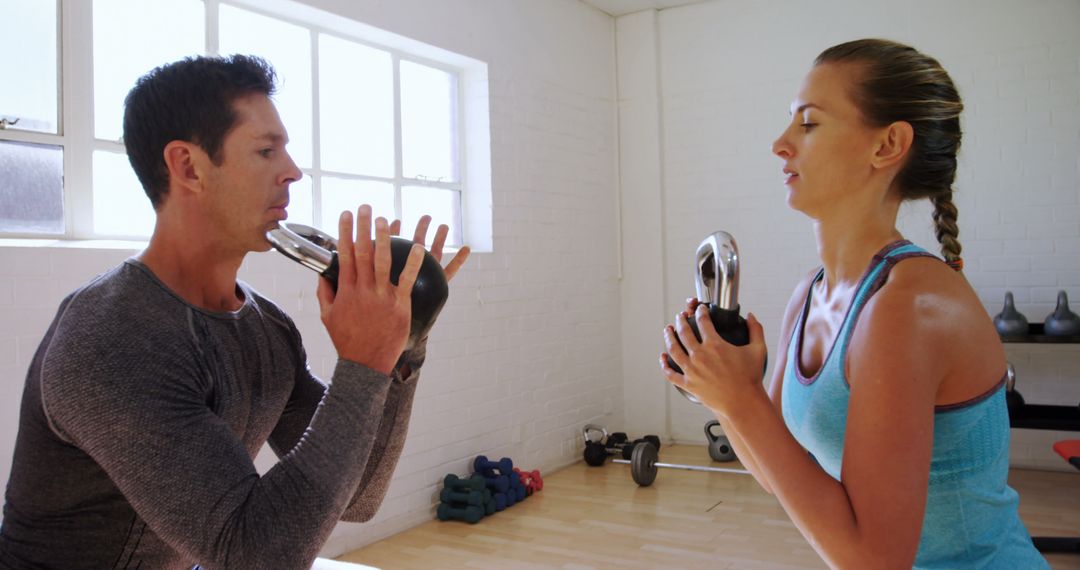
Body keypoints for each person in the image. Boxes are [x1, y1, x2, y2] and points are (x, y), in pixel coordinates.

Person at [0, 55, 469, 569]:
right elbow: (255, 554)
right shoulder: (111, 337)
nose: (292, 172)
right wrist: (361, 366)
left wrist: (402, 348)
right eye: (266, 151)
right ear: (188, 167)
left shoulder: (264, 327)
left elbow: (358, 497)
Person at [660, 39, 1048, 568]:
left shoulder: (908, 305)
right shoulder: (809, 295)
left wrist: (742, 399)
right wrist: (725, 392)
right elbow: (780, 475)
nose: (780, 144)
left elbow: (875, 559)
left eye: (809, 123)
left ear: (887, 145)